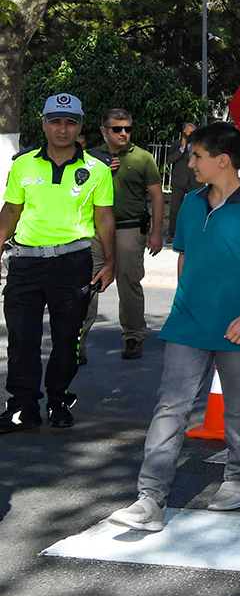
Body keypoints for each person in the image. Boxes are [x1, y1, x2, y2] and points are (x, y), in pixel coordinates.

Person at [106, 123, 240, 531]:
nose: (190, 163)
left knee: (238, 408)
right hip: (188, 324)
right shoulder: (190, 203)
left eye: (197, 156)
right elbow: (184, 256)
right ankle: (150, 499)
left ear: (222, 160)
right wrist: (185, 302)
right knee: (171, 407)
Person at [0, 94, 115, 432]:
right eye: (55, 121)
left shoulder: (96, 168)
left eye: (70, 122)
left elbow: (104, 217)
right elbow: (11, 211)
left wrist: (110, 262)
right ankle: (23, 406)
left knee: (67, 338)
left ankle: (58, 399)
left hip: (72, 263)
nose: (62, 129)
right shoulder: (23, 164)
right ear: (44, 124)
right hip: (25, 263)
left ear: (80, 126)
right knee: (22, 338)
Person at [79, 109, 163, 360]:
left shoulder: (142, 158)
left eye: (128, 129)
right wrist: (101, 170)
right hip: (96, 231)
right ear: (104, 131)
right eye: (117, 129)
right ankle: (76, 343)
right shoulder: (89, 157)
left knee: (129, 284)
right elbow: (75, 189)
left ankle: (134, 337)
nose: (124, 133)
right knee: (88, 284)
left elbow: (157, 196)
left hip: (129, 228)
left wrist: (157, 232)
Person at [164, 122, 198, 243]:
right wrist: (181, 149)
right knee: (175, 208)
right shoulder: (177, 144)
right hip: (179, 180)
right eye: (189, 133)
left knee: (196, 208)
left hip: (195, 180)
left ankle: (195, 234)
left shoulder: (200, 144)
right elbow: (169, 159)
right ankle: (173, 234)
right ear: (184, 133)